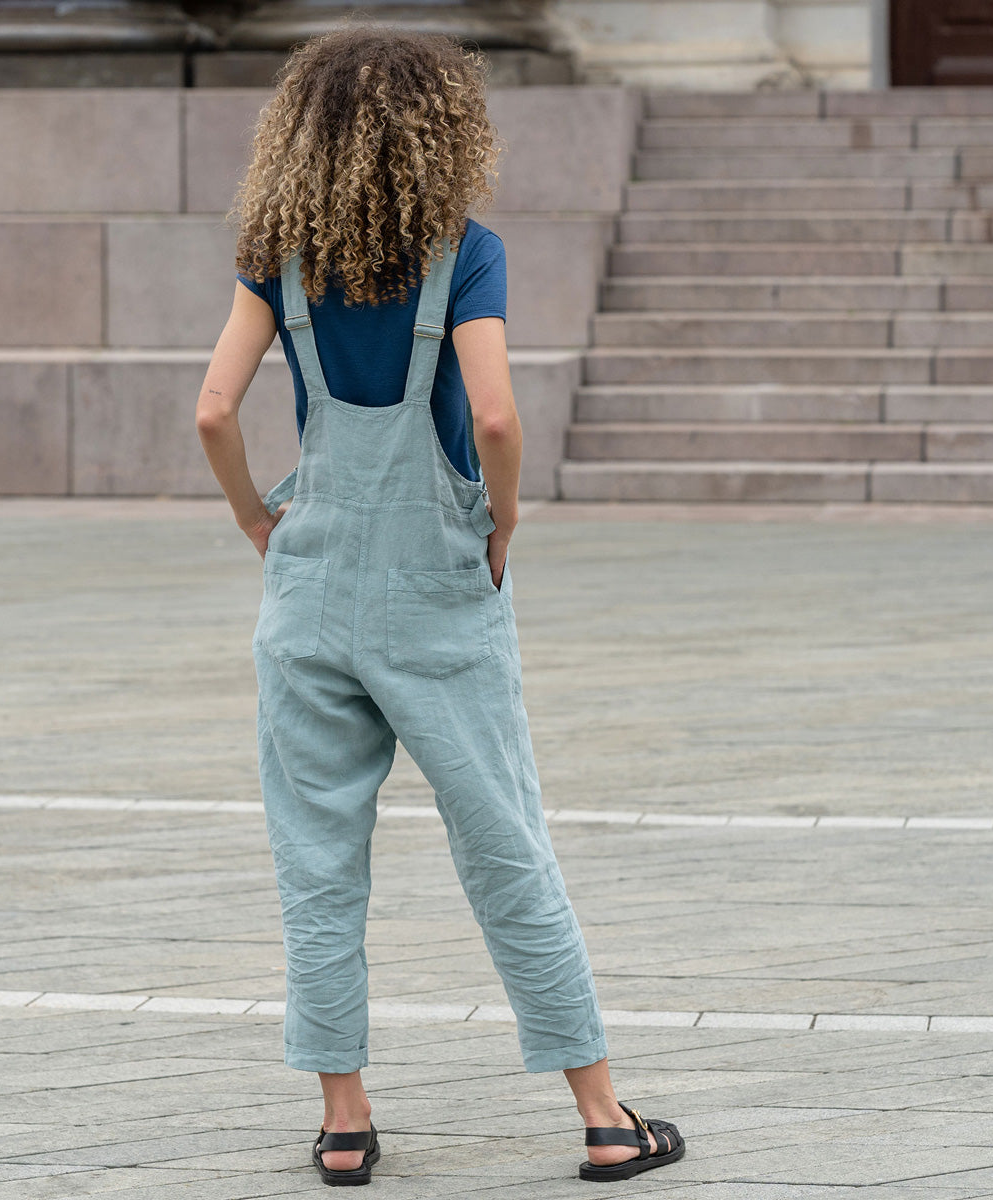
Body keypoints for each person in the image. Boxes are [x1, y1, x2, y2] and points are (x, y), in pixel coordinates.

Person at [194, 25, 684, 1187]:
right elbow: (499, 417)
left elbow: (215, 411)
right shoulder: (464, 252)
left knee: (317, 862)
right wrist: (501, 521)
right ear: (441, 132)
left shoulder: (279, 254)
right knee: (505, 844)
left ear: (300, 135)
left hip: (307, 589)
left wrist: (258, 523)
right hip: (437, 593)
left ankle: (346, 1124)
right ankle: (605, 1119)